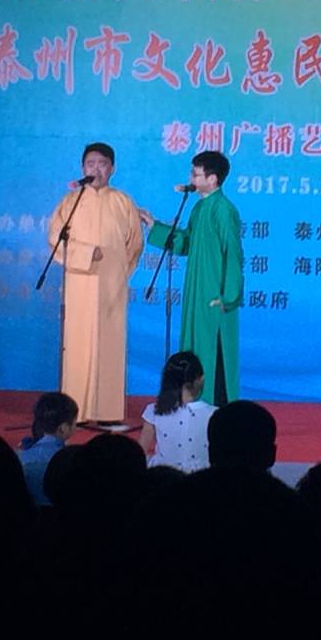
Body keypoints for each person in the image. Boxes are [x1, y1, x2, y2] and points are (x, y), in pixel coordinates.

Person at [47, 142, 143, 429]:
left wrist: (117, 273)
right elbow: (56, 240)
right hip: (79, 285)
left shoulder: (123, 202)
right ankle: (73, 411)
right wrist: (87, 255)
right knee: (77, 346)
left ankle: (107, 412)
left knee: (109, 347)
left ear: (112, 168)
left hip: (111, 288)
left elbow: (134, 245)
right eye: (91, 163)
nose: (96, 169)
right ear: (82, 168)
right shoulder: (70, 201)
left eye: (102, 164)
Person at [141, 150, 242, 405]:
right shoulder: (199, 207)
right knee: (195, 348)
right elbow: (187, 243)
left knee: (213, 349)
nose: (191, 179)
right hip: (196, 290)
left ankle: (216, 407)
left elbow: (233, 255)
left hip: (214, 294)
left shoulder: (224, 210)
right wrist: (154, 226)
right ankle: (193, 403)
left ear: (213, 179)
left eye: (196, 174)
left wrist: (228, 297)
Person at [138, 351, 214, 472]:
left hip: (162, 475)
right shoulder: (213, 414)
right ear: (200, 380)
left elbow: (139, 453)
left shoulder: (154, 411)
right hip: (200, 477)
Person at [17, 391, 78, 506]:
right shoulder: (70, 462)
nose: (76, 427)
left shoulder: (19, 457)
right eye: (75, 423)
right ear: (64, 428)